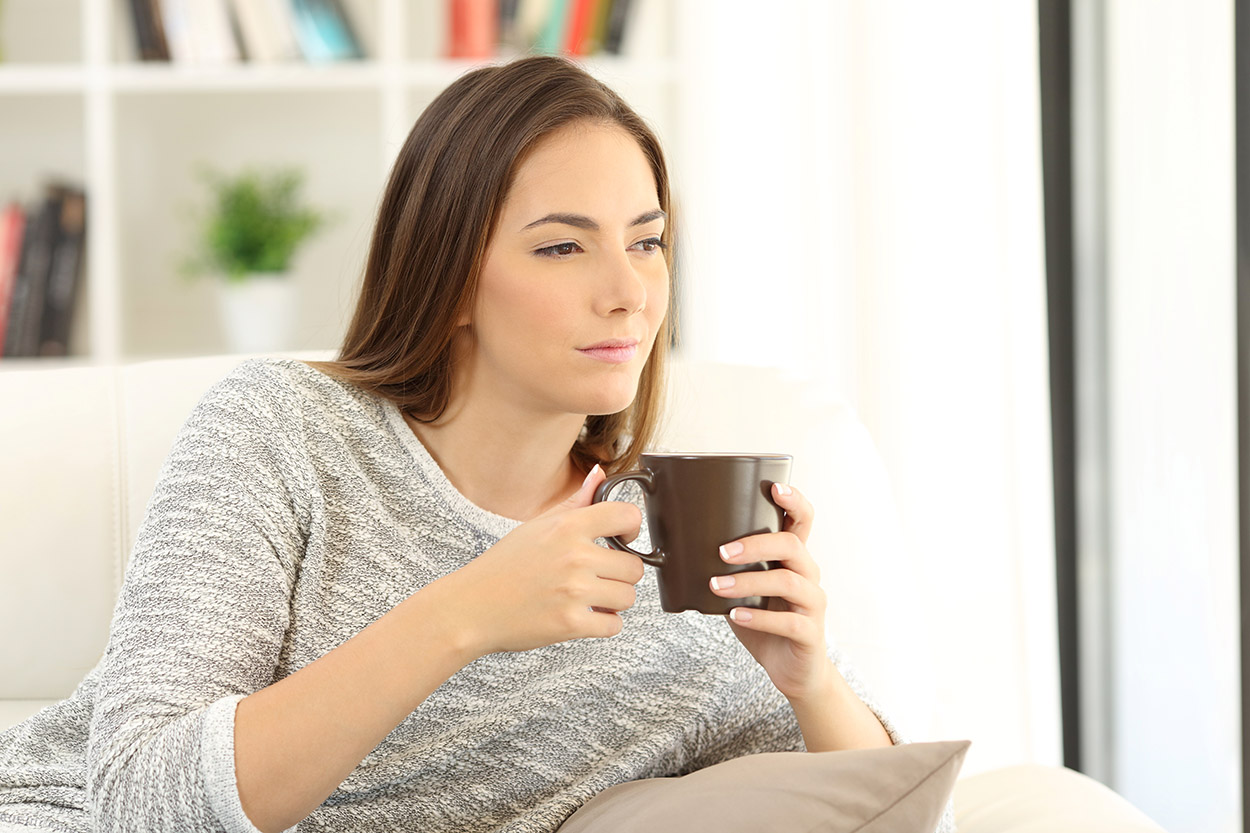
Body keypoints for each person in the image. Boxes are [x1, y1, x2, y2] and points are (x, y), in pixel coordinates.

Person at [0, 55, 921, 833]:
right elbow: (138, 796)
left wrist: (808, 681)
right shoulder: (282, 430)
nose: (629, 292)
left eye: (647, 243)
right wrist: (463, 615)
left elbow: (910, 811)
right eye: (563, 248)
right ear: (447, 279)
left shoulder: (674, 550)